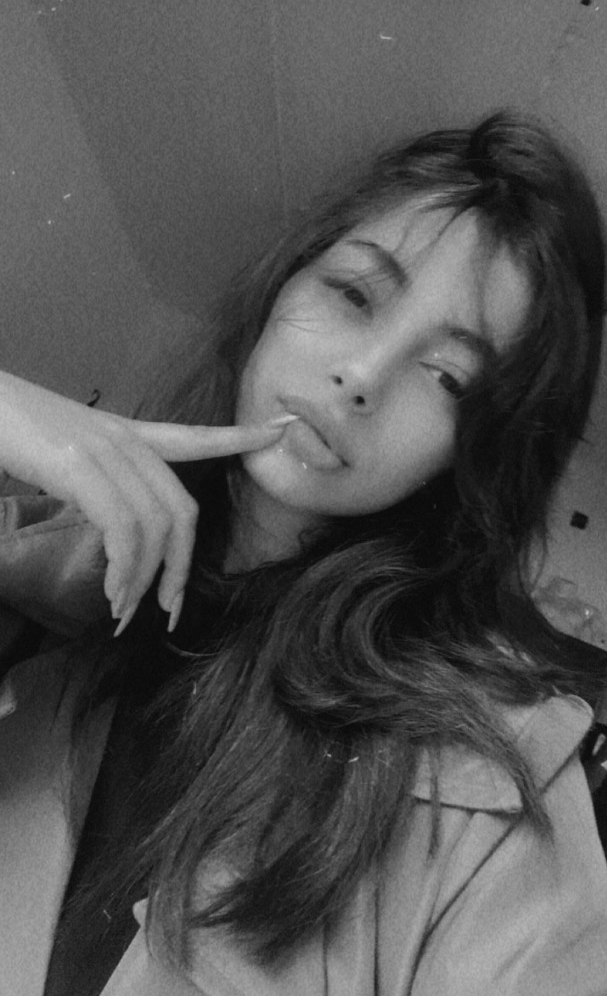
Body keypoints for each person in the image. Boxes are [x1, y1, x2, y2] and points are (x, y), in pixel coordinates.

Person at [0, 109, 606, 996]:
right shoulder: (36, 574)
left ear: (473, 454)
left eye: (447, 377)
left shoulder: (493, 791)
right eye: (353, 295)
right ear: (278, 290)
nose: (362, 376)